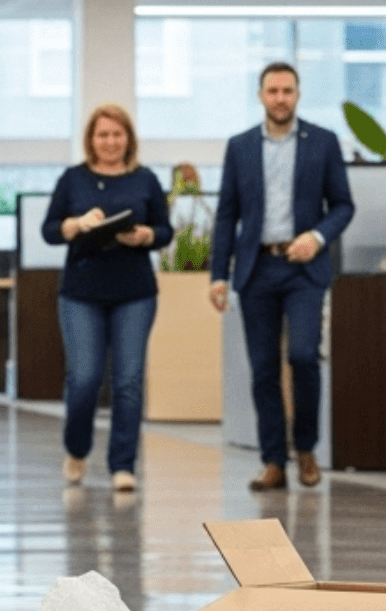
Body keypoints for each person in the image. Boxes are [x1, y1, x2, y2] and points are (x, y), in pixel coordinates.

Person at [209, 61, 355, 491]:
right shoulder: (239, 147)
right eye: (272, 91)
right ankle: (274, 460)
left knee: (304, 356)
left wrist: (317, 236)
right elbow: (227, 214)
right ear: (260, 96)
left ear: (298, 94)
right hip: (257, 268)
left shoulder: (322, 143)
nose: (280, 99)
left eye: (287, 91)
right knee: (263, 369)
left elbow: (343, 205)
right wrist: (219, 275)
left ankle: (306, 447)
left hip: (303, 268)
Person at [41, 103, 173, 492]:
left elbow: (165, 231)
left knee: (129, 381)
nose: (110, 142)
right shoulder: (73, 179)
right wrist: (75, 224)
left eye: (117, 134)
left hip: (135, 292)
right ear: (91, 140)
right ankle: (77, 449)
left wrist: (146, 236)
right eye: (103, 135)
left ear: (128, 138)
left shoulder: (145, 179)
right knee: (84, 378)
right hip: (82, 292)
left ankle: (122, 465)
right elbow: (49, 229)